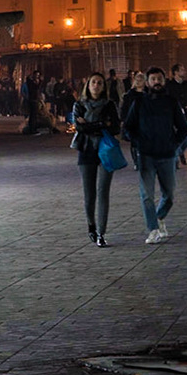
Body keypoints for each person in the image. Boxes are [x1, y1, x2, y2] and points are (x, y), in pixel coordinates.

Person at [123, 66, 187, 244]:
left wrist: (174, 144)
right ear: (147, 82)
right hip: (146, 155)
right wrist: (138, 142)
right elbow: (127, 127)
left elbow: (183, 128)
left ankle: (159, 218)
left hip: (167, 154)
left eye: (159, 79)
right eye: (153, 79)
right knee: (147, 195)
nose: (156, 82)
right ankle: (152, 229)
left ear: (164, 80)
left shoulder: (171, 102)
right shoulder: (139, 102)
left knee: (169, 195)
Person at [71, 72, 120, 246]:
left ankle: (101, 232)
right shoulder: (79, 105)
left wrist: (90, 125)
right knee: (89, 193)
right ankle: (91, 225)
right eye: (93, 82)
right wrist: (101, 124)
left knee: (103, 192)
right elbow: (79, 128)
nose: (96, 85)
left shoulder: (109, 105)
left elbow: (115, 127)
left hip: (106, 150)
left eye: (100, 83)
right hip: (86, 150)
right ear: (88, 85)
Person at [165, 64, 187, 166]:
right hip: (173, 116)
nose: (184, 71)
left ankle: (179, 151)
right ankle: (176, 158)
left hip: (186, 115)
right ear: (175, 72)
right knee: (175, 137)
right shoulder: (169, 85)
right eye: (182, 70)